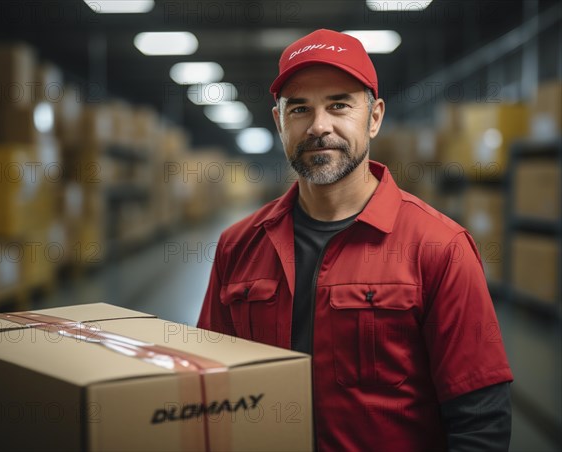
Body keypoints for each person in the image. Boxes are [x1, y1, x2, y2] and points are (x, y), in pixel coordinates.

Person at [198, 29, 513, 451]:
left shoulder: (439, 247)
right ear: (278, 122)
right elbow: (209, 389)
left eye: (339, 105)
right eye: (299, 109)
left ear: (375, 116)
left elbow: (480, 420)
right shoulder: (238, 246)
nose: (318, 126)